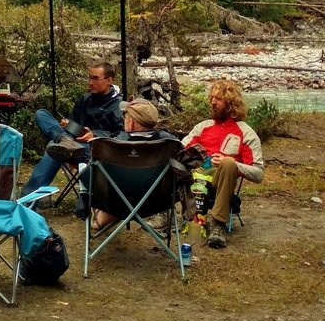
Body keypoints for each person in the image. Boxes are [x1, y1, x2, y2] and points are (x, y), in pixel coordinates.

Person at [182, 79, 263, 249]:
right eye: (211, 98)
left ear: (231, 102)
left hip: (220, 182)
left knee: (227, 163)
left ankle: (218, 224)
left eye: (218, 98)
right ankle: (165, 214)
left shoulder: (246, 133)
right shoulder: (202, 127)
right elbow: (178, 150)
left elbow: (258, 173)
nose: (212, 102)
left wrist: (234, 163)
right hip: (196, 179)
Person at [21, 61, 124, 197]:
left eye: (95, 78)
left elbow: (122, 135)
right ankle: (64, 139)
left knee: (55, 147)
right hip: (74, 140)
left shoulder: (119, 104)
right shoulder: (85, 99)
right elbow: (75, 124)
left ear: (109, 80)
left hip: (96, 149)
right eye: (89, 77)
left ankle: (27, 199)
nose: (90, 82)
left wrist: (96, 135)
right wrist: (68, 124)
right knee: (41, 114)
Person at [89, 98, 177, 229]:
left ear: (130, 123)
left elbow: (91, 178)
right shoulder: (170, 143)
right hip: (156, 204)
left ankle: (106, 215)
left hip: (116, 202)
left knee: (87, 172)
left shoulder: (112, 145)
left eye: (125, 117)